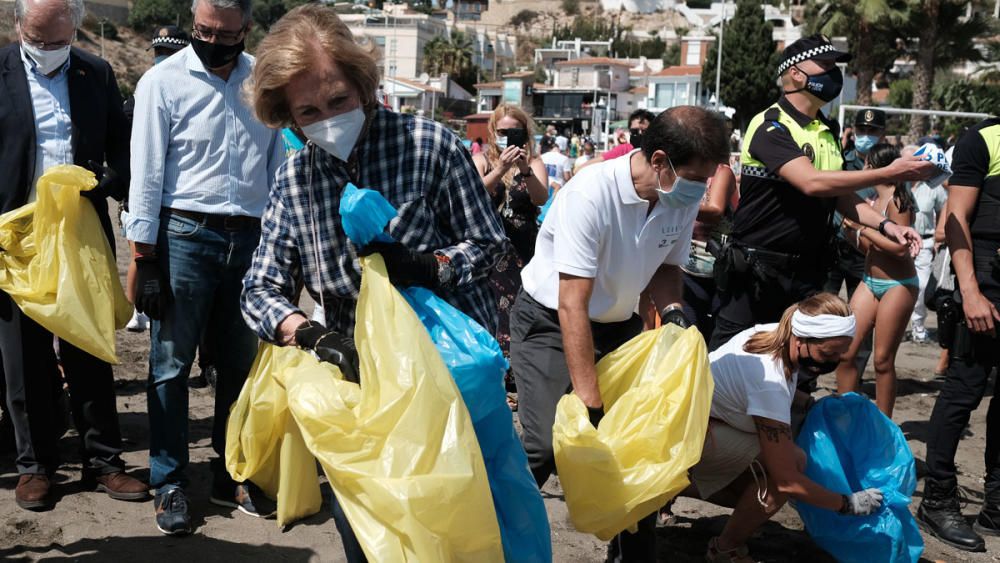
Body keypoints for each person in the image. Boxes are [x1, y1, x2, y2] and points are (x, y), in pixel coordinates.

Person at [240, 6, 507, 560]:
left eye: (338, 101)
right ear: (287, 118)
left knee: (452, 530)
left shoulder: (431, 147)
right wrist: (310, 336)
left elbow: (490, 246)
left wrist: (429, 266)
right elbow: (260, 288)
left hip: (447, 378)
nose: (327, 118)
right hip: (356, 384)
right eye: (308, 111)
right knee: (368, 536)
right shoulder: (295, 178)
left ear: (362, 85)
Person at [510, 105, 729, 561]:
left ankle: (632, 553)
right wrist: (590, 401)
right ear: (659, 160)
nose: (701, 189)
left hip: (618, 323)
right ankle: (499, 537)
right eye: (695, 177)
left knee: (639, 443)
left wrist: (672, 314)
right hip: (551, 321)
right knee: (545, 444)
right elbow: (572, 303)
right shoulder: (591, 194)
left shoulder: (678, 198)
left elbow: (668, 266)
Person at [124, 0, 284, 535]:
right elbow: (146, 170)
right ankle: (169, 478)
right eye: (203, 30)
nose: (212, 40)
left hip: (252, 238)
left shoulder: (262, 80)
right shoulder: (162, 82)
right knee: (170, 365)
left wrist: (286, 243)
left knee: (240, 366)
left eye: (225, 32)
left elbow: (277, 165)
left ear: (245, 29)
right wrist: (143, 257)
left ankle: (231, 470)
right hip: (185, 234)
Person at [0, 0, 147, 511]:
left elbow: (123, 146)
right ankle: (35, 466)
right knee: (25, 357)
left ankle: (104, 461)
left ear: (75, 30)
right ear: (19, 27)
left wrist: (107, 185)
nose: (46, 51)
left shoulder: (95, 73)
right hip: (17, 239)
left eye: (57, 41)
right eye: (37, 40)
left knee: (89, 348)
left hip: (81, 233)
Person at [709, 34, 936, 352]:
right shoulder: (771, 125)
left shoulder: (826, 129)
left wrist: (886, 225)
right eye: (825, 65)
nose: (834, 74)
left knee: (797, 367)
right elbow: (812, 183)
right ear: (797, 73)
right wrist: (891, 171)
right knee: (731, 358)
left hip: (807, 272)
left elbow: (839, 195)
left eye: (835, 66)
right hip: (758, 272)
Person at [683, 293, 883, 563]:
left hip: (697, 423)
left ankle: (675, 487)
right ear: (801, 340)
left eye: (840, 353)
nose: (833, 361)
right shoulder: (770, 381)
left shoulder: (773, 333)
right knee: (789, 469)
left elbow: (750, 393)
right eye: (828, 354)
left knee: (761, 486)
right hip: (692, 435)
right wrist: (847, 503)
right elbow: (787, 481)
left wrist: (810, 403)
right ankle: (724, 547)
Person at [916, 116, 1000, 552]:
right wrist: (970, 291)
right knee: (963, 392)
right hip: (986, 281)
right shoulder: (982, 140)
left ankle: (996, 506)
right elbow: (956, 219)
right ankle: (938, 500)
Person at [835, 144, 918, 418]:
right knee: (845, 351)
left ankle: (884, 423)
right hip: (870, 280)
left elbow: (899, 249)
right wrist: (853, 233)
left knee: (883, 360)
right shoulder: (871, 201)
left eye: (868, 164)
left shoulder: (898, 201)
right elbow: (870, 249)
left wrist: (860, 228)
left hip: (898, 285)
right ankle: (846, 412)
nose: (864, 169)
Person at [472, 103, 547, 402]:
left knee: (519, 310)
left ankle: (519, 376)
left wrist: (523, 169)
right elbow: (474, 193)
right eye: (502, 131)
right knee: (491, 311)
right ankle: (494, 376)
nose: (507, 137)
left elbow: (541, 197)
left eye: (513, 132)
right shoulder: (482, 160)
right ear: (492, 132)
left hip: (524, 247)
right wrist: (501, 168)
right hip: (490, 249)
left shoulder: (534, 162)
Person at [122, 25, 191, 335]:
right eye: (159, 52)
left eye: (169, 53)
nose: (162, 58)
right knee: (139, 251)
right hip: (141, 187)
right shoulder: (146, 87)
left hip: (178, 198)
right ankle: (135, 310)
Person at [679, 163, 738, 338]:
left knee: (716, 340)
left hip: (720, 274)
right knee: (688, 339)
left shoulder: (722, 172)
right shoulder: (685, 172)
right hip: (688, 271)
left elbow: (715, 211)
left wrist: (670, 201)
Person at [909, 160, 949, 344]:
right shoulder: (897, 183)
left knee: (922, 286)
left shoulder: (933, 186)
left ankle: (917, 325)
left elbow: (943, 209)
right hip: (899, 242)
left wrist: (938, 237)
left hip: (925, 242)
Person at [578, 109, 656, 170]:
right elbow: (581, 168)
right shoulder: (624, 150)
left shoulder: (659, 153)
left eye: (644, 131)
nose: (639, 134)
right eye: (634, 131)